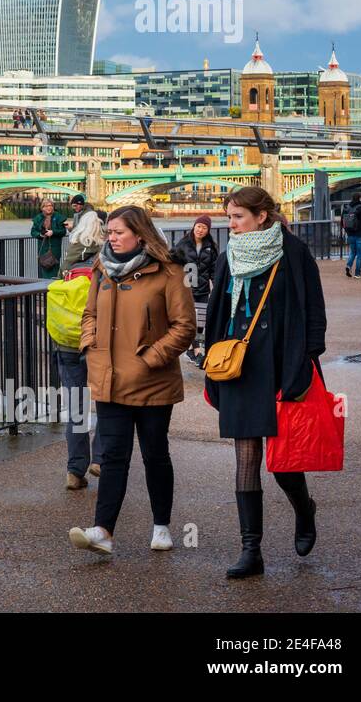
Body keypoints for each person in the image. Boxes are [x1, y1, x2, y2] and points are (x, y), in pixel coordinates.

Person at [205, 186, 326, 579]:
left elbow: (313, 310)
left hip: (281, 363)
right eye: (228, 218)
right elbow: (219, 313)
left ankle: (304, 508)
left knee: (283, 457)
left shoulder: (293, 252)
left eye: (237, 217)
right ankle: (250, 551)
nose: (231, 224)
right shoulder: (229, 256)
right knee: (246, 457)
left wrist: (306, 361)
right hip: (240, 367)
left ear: (261, 216)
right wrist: (212, 363)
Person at [69, 206, 195, 555]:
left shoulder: (169, 271)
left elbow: (184, 326)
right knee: (112, 458)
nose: (111, 238)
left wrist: (151, 358)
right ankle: (103, 532)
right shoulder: (101, 269)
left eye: (118, 232)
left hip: (152, 381)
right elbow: (89, 313)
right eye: (109, 232)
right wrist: (89, 345)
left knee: (156, 456)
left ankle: (161, 526)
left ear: (140, 234)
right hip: (110, 379)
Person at [50, 211, 104, 488]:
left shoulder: (70, 250)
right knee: (108, 403)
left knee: (76, 408)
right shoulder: (107, 253)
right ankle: (100, 460)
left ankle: (74, 471)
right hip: (97, 338)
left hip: (67, 338)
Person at [173, 214, 219, 358]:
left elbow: (214, 269)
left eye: (204, 227)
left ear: (208, 230)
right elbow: (174, 264)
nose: (200, 230)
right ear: (194, 227)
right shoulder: (183, 244)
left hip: (203, 289)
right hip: (187, 288)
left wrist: (216, 285)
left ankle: (192, 349)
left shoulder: (210, 247)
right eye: (198, 226)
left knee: (201, 321)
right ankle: (197, 349)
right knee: (190, 319)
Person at [59, 194, 97, 274]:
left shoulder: (90, 215)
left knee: (66, 265)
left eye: (75, 206)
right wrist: (71, 229)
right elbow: (78, 229)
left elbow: (87, 231)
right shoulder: (78, 214)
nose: (74, 208)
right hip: (80, 244)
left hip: (84, 245)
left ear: (80, 204)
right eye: (73, 206)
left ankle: (61, 279)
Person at [31, 199, 67, 279]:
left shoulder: (58, 217)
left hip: (55, 249)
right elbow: (33, 232)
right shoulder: (38, 218)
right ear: (42, 208)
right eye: (46, 206)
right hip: (43, 248)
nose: (49, 208)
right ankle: (44, 289)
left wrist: (53, 232)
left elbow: (63, 231)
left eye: (51, 206)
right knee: (44, 270)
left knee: (54, 270)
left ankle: (52, 288)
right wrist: (40, 234)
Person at [342, 193, 361, 278]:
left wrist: (347, 231)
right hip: (360, 234)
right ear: (360, 198)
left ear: (352, 198)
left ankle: (348, 266)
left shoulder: (346, 208)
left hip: (350, 234)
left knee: (353, 252)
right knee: (360, 254)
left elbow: (342, 221)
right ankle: (357, 273)